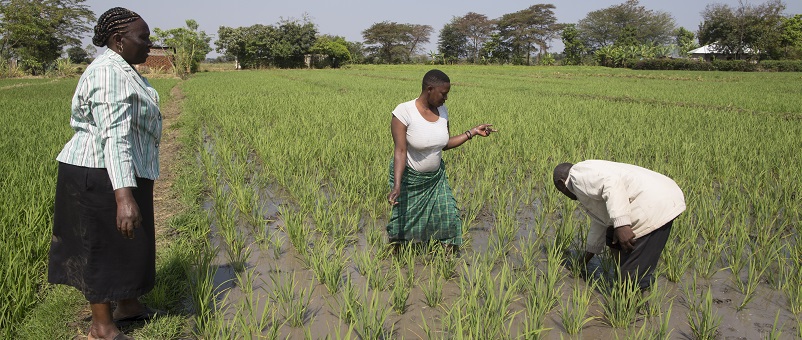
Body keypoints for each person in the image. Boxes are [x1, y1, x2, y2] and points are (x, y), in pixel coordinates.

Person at [48, 7, 162, 340]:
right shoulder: (109, 73)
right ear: (118, 39)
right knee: (100, 245)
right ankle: (101, 327)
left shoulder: (123, 67)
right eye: (143, 38)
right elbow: (114, 135)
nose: (149, 45)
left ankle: (129, 305)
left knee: (128, 240)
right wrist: (124, 195)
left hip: (121, 168)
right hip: (99, 172)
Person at [387, 69, 495, 251]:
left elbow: (444, 144)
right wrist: (397, 185)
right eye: (443, 94)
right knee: (403, 226)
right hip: (410, 179)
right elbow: (400, 151)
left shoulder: (442, 111)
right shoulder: (403, 112)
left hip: (436, 179)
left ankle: (447, 265)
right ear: (430, 89)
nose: (446, 99)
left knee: (450, 217)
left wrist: (473, 132)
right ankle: (400, 260)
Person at [552, 160, 686, 290]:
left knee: (633, 273)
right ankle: (624, 276)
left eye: (560, 191)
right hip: (661, 196)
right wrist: (584, 261)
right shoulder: (588, 178)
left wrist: (622, 225)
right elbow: (600, 223)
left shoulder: (577, 176)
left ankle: (637, 305)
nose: (565, 195)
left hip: (654, 202)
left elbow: (611, 183)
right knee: (612, 234)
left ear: (561, 183)